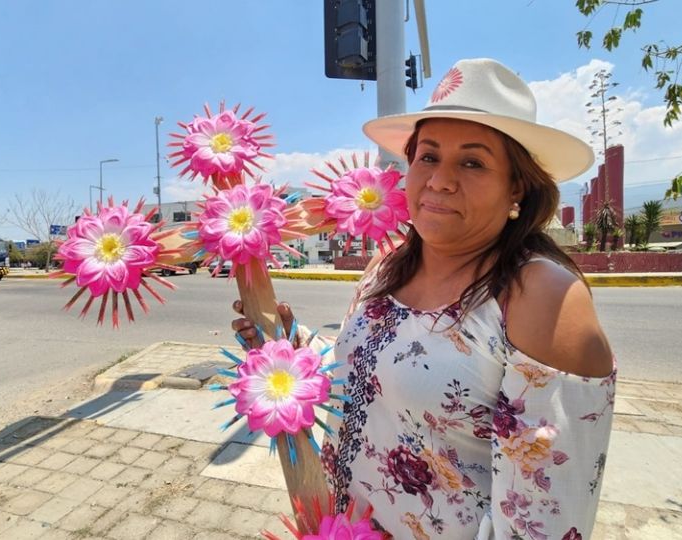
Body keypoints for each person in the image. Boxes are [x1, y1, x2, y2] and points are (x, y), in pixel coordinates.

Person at [233, 58, 615, 539]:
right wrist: (292, 350)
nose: (439, 180)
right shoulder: (386, 266)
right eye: (428, 156)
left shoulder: (541, 297)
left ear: (516, 186)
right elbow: (374, 381)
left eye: (473, 162)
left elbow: (544, 522)